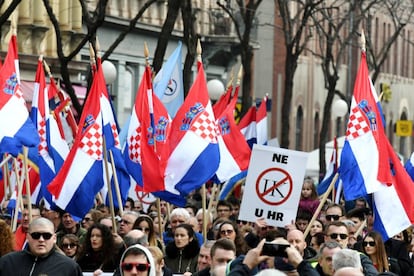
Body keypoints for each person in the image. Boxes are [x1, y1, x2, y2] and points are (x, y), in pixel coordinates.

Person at [0, 217, 82, 275]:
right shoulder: (7, 262)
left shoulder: (69, 267)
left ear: (54, 238)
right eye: (36, 235)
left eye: (46, 235)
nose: (41, 239)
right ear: (28, 237)